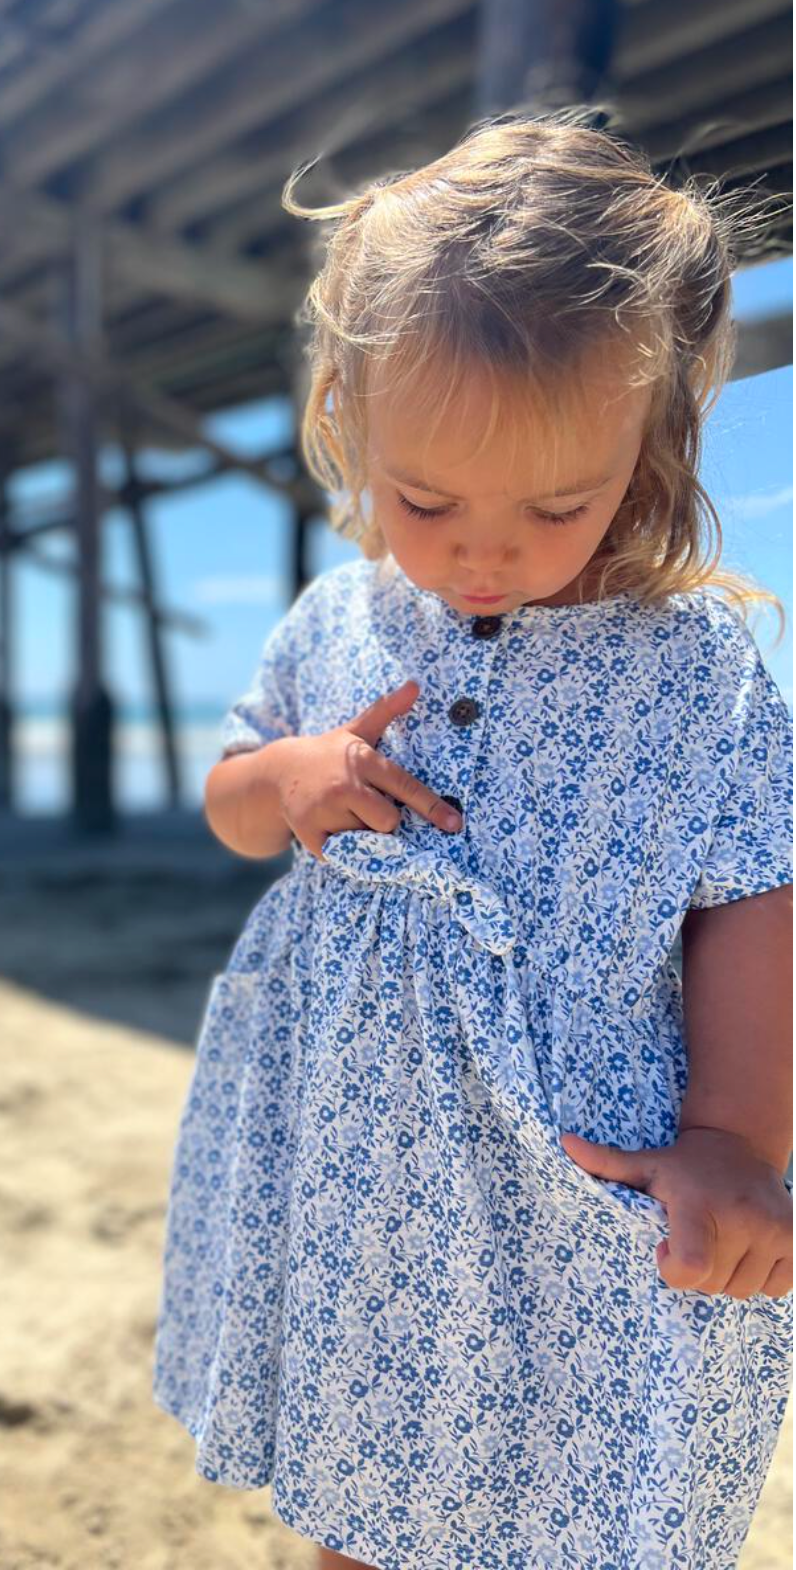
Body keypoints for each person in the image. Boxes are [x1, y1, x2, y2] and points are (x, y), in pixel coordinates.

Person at [150, 105, 793, 1570]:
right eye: (425, 496)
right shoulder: (334, 624)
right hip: (360, 1156)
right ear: (349, 425)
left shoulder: (688, 667)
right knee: (358, 1472)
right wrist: (292, 777)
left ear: (649, 446)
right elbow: (232, 799)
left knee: (579, 1482)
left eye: (558, 503)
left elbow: (756, 892)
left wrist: (737, 1139)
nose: (481, 548)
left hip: (577, 1162)